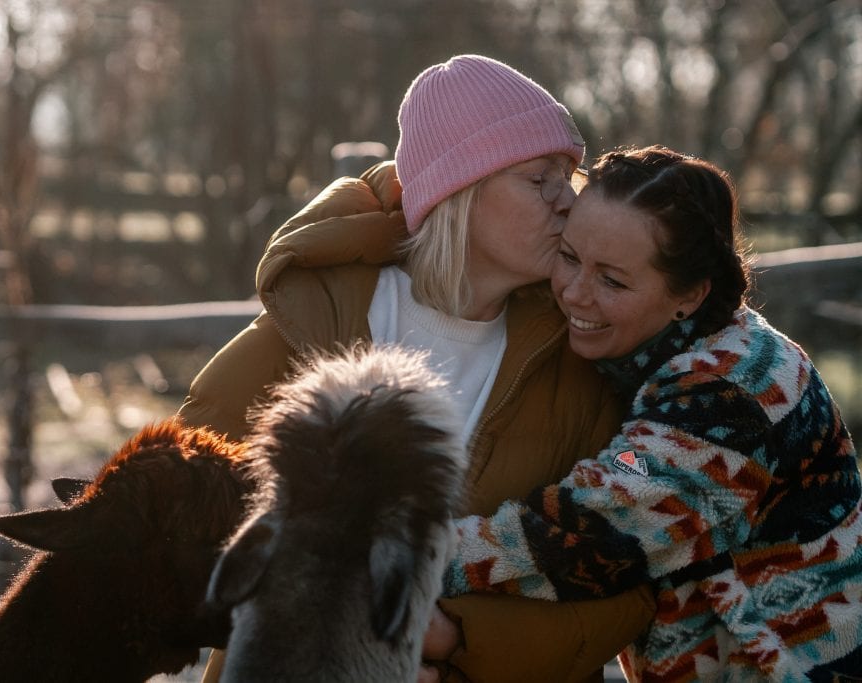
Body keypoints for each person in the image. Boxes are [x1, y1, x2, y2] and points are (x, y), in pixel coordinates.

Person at [179, 55, 655, 682]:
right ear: (460, 189)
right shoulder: (316, 323)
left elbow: (630, 584)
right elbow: (183, 516)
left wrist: (456, 641)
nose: (568, 202)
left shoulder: (583, 365)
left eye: (568, 177)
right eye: (539, 179)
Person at [433, 145, 862, 680]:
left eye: (612, 281)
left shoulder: (735, 391)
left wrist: (402, 558)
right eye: (568, 258)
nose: (573, 293)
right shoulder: (651, 348)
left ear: (690, 294)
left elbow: (599, 523)